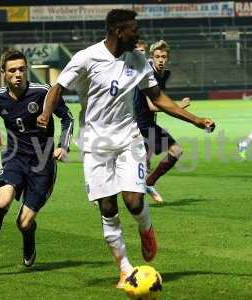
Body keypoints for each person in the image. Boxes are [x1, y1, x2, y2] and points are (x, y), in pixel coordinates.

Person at [36, 9, 215, 288]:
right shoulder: (87, 57)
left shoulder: (138, 60)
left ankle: (146, 228)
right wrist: (46, 115)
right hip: (96, 144)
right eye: (133, 29)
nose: (138, 34)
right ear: (118, 31)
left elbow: (158, 98)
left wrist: (195, 120)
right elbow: (56, 88)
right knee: (108, 207)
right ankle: (124, 268)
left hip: (129, 139)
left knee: (133, 200)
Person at [0, 50, 74, 275]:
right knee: (2, 200)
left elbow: (67, 117)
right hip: (14, 158)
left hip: (42, 164)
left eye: (21, 69)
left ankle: (29, 239)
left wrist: (63, 146)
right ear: (3, 74)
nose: (18, 74)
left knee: (23, 222)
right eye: (12, 70)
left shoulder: (43, 92)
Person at [134, 40, 191, 203]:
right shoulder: (147, 73)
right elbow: (153, 105)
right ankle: (148, 183)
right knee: (175, 150)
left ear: (168, 58)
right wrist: (178, 107)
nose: (160, 60)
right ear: (151, 57)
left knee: (140, 165)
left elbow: (159, 98)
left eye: (164, 56)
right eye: (157, 56)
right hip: (141, 123)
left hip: (146, 122)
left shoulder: (164, 74)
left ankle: (144, 185)